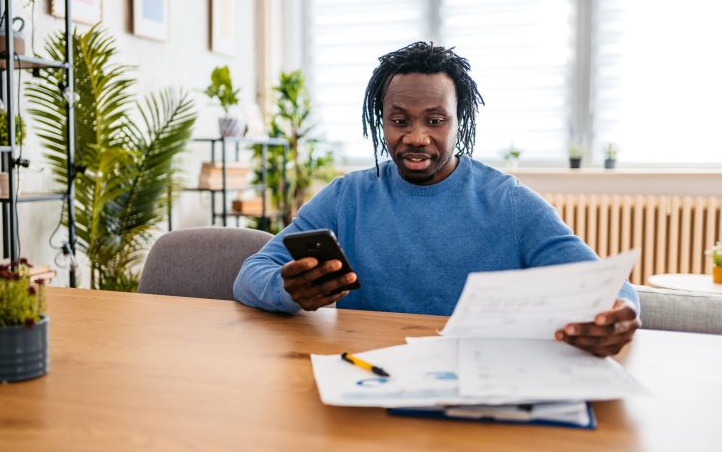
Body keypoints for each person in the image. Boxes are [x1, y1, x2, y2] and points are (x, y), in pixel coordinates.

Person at [234, 42, 640, 357]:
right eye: (398, 120)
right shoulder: (348, 196)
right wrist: (289, 291)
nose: (415, 137)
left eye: (434, 120)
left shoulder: (510, 203)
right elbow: (252, 272)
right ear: (381, 121)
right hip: (370, 375)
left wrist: (619, 313)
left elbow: (607, 284)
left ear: (459, 120)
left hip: (478, 381)